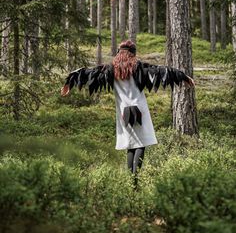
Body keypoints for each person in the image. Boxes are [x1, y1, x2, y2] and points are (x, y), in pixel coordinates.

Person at [61, 40, 194, 181]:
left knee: (131, 146)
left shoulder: (110, 69)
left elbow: (88, 72)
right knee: (141, 144)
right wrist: (184, 77)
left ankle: (131, 179)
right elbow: (162, 71)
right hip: (140, 110)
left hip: (123, 111)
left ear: (119, 52)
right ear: (132, 53)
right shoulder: (139, 67)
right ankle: (134, 178)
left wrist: (69, 82)